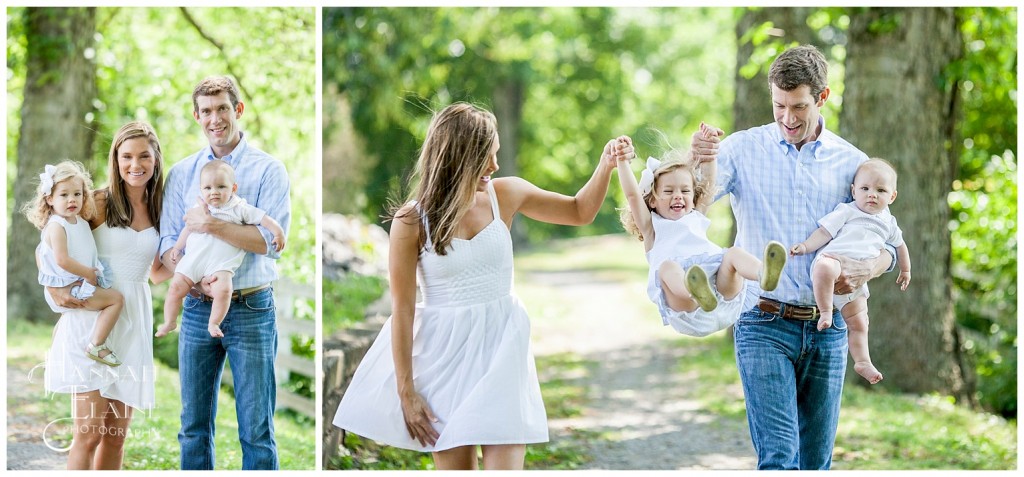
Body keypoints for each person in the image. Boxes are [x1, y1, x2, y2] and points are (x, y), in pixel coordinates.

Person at [333, 102, 623, 470]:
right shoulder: (411, 222)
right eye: (486, 157)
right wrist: (407, 392)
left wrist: (606, 164)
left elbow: (580, 211)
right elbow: (403, 310)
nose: (494, 166)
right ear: (458, 156)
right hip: (445, 360)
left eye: (496, 155)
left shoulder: (508, 194)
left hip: (502, 349)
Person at [691, 45, 897, 469]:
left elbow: (890, 244)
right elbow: (693, 203)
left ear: (821, 98)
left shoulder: (854, 164)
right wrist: (700, 158)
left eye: (799, 106)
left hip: (829, 328)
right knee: (780, 458)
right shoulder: (742, 149)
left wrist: (868, 267)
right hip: (762, 322)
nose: (787, 118)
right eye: (778, 105)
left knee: (816, 462)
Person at [159, 75, 290, 470]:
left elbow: (270, 243)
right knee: (193, 426)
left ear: (238, 110)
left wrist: (211, 224)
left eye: (222, 109)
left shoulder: (269, 170)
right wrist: (199, 281)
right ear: (196, 116)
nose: (215, 119)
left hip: (251, 308)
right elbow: (168, 244)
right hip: (198, 310)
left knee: (256, 429)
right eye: (206, 111)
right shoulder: (182, 174)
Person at [43, 121, 173, 470]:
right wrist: (55, 286)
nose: (135, 164)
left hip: (134, 321)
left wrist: (193, 252)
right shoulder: (95, 202)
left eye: (144, 156)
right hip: (94, 322)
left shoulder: (162, 209)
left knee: (116, 437)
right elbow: (56, 238)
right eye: (126, 156)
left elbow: (157, 273)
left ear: (156, 159)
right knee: (89, 432)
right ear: (115, 160)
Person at [615, 132, 787, 337]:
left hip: (721, 297)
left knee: (733, 254)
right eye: (669, 191)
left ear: (693, 195)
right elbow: (633, 195)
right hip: (689, 309)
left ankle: (763, 274)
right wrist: (622, 161)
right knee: (667, 268)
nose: (678, 195)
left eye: (685, 191)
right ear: (652, 200)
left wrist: (710, 154)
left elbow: (709, 183)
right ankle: (694, 289)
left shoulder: (696, 215)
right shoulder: (652, 229)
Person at [789, 158, 912, 384]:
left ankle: (863, 361)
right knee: (824, 267)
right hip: (833, 262)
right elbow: (824, 232)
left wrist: (905, 269)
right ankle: (826, 312)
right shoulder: (847, 211)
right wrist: (805, 246)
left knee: (859, 323)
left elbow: (900, 245)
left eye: (880, 190)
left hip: (857, 280)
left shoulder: (889, 222)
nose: (871, 194)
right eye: (865, 189)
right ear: (854, 191)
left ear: (892, 196)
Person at [157, 159, 286, 339]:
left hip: (222, 265)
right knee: (176, 286)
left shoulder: (239, 208)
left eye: (221, 187)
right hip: (195, 260)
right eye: (208, 188)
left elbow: (264, 219)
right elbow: (188, 228)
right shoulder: (200, 208)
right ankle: (170, 321)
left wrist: (278, 233)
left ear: (233, 188)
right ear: (201, 190)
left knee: (224, 290)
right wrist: (178, 248)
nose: (214, 192)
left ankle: (214, 322)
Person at [27, 160, 125, 367]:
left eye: (77, 194)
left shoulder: (79, 221)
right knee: (116, 299)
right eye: (64, 195)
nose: (71, 199)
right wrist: (89, 274)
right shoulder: (57, 225)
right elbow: (61, 260)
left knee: (67, 323)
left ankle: (55, 353)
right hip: (69, 286)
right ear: (50, 199)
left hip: (78, 280)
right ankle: (97, 345)